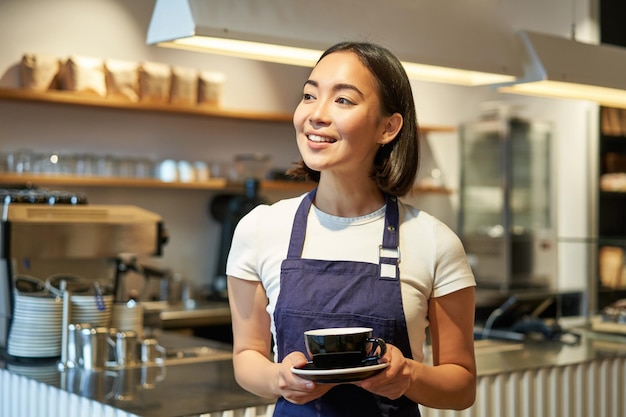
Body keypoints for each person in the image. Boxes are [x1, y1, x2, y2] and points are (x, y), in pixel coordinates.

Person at [226, 41, 477, 417]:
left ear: (388, 127)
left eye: (342, 100)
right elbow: (247, 356)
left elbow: (461, 385)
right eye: (309, 95)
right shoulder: (260, 228)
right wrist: (280, 379)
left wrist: (408, 375)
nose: (316, 114)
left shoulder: (433, 241)